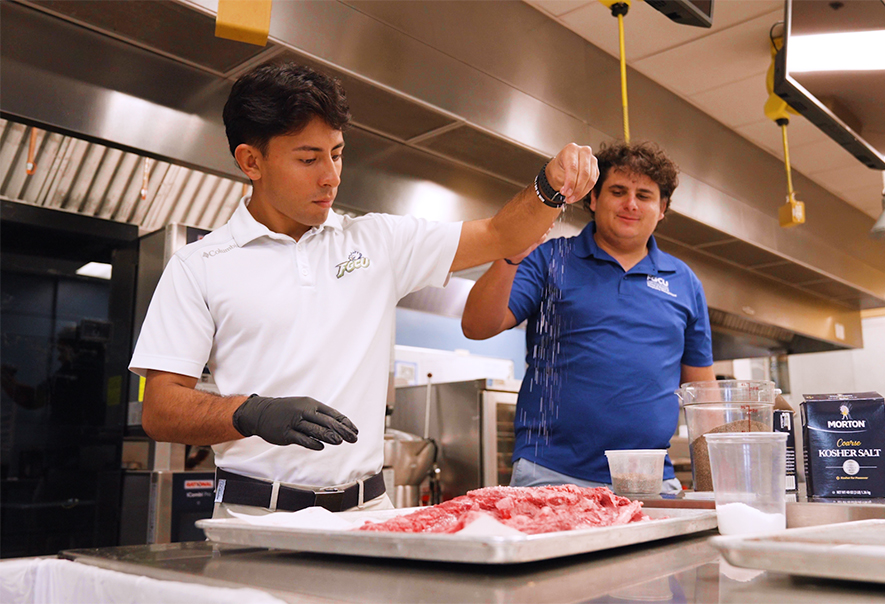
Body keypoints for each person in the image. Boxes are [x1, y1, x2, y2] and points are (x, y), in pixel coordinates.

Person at [129, 62, 597, 518]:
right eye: (308, 158)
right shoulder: (200, 265)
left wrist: (550, 185)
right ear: (252, 161)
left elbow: (502, 235)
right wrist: (249, 413)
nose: (331, 175)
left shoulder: (378, 242)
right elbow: (161, 408)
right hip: (257, 517)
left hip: (367, 514)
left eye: (336, 153)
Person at [461, 141, 714, 494]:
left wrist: (716, 479)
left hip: (652, 478)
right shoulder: (551, 258)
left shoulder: (684, 280)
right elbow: (476, 326)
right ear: (593, 199)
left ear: (662, 209)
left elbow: (704, 393)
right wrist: (509, 256)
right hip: (550, 475)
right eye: (618, 191)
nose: (630, 203)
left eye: (644, 195)